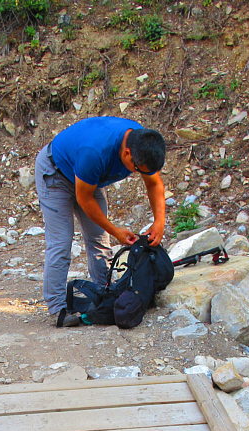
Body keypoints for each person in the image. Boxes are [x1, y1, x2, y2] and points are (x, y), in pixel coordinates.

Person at [34, 116, 167, 326]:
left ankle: (104, 294)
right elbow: (83, 199)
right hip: (55, 173)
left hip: (88, 178)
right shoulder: (95, 152)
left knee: (98, 239)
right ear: (126, 154)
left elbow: (154, 184)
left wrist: (159, 221)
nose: (139, 173)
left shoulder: (142, 142)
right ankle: (57, 307)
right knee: (61, 242)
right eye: (138, 169)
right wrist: (116, 231)